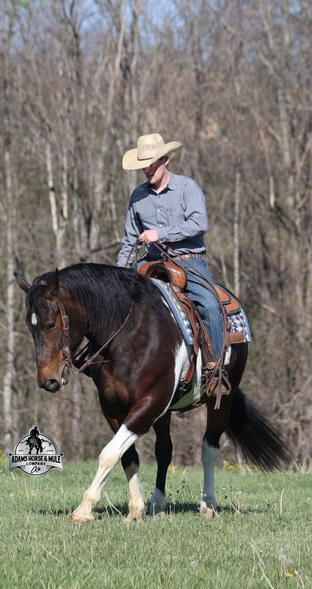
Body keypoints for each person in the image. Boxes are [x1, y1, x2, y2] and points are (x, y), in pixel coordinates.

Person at [117, 132, 228, 397]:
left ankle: (215, 371)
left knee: (211, 306)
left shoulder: (187, 188)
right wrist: (119, 275)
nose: (147, 169)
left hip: (189, 262)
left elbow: (199, 223)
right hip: (150, 262)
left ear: (165, 160)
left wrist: (160, 234)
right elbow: (129, 239)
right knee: (120, 305)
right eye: (143, 165)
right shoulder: (137, 196)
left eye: (151, 164)